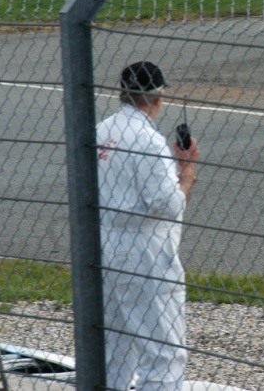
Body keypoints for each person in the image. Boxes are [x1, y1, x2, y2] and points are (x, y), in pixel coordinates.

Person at [96, 61, 199, 391]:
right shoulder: (149, 141)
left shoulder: (101, 131)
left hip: (106, 242)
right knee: (165, 355)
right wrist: (186, 175)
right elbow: (165, 204)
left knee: (116, 348)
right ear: (157, 99)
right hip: (146, 250)